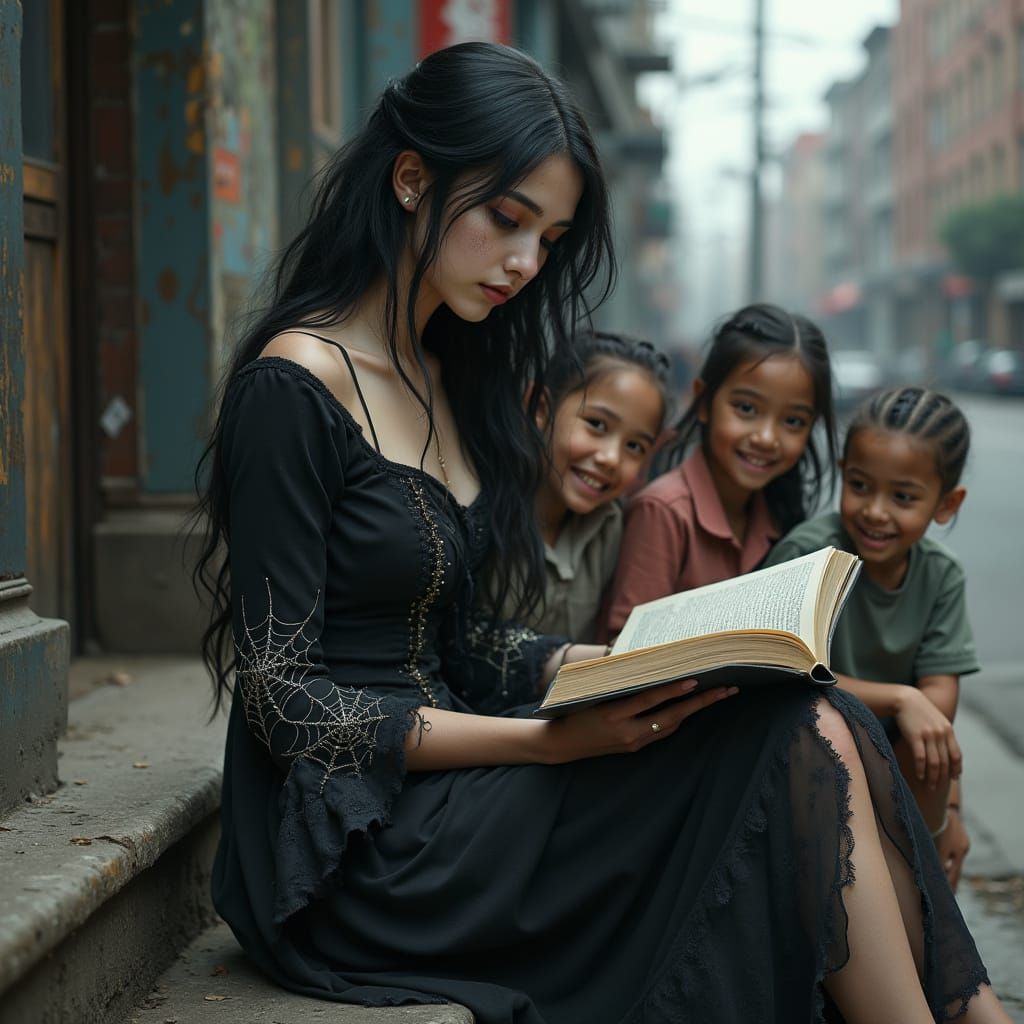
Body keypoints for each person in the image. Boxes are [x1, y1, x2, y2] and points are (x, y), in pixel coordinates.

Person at [193, 42, 1010, 1024]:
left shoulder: (446, 377)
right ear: (412, 179)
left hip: (461, 784)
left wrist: (622, 657)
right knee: (785, 743)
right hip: (359, 848)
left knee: (796, 704)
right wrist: (545, 744)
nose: (526, 263)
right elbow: (280, 697)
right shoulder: (296, 385)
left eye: (550, 237)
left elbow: (456, 641)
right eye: (507, 220)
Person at [763, 387, 976, 891]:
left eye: (902, 497)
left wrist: (949, 808)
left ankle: (918, 902)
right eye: (860, 485)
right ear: (843, 472)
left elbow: (938, 703)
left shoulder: (940, 575)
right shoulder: (809, 555)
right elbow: (782, 670)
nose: (876, 511)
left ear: (946, 504)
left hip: (894, 751)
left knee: (929, 745)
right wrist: (901, 697)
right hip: (805, 741)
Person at [600, 303, 837, 640]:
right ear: (704, 402)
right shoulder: (663, 511)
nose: (766, 438)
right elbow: (624, 652)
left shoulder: (777, 515)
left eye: (793, 421)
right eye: (746, 408)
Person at [494, 329, 672, 643]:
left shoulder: (611, 525)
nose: (611, 459)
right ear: (540, 408)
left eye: (634, 446)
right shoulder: (485, 510)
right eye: (597, 425)